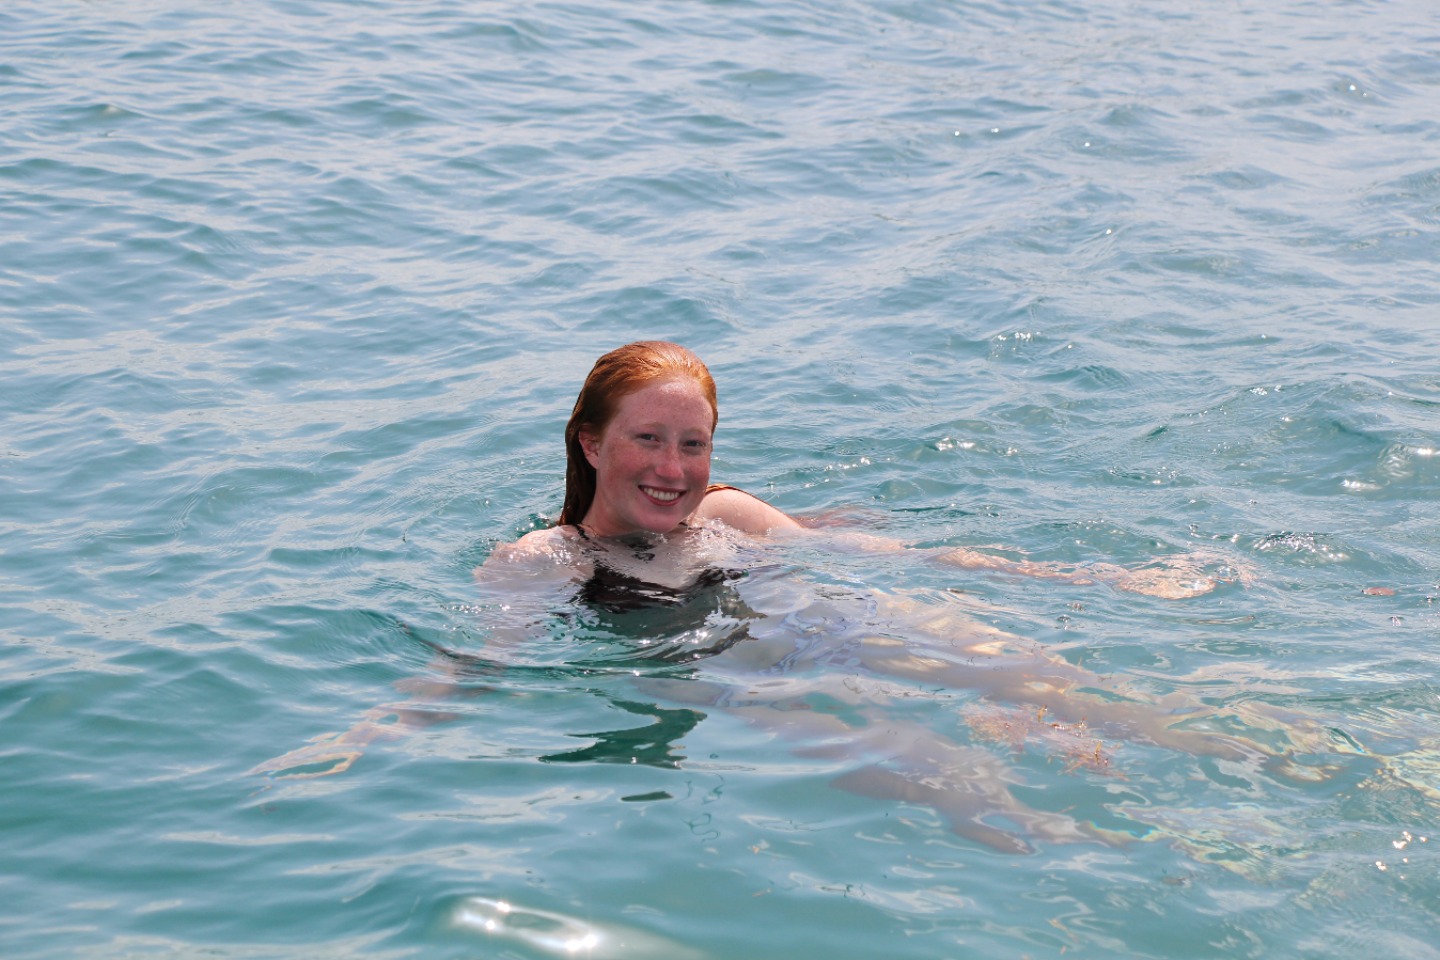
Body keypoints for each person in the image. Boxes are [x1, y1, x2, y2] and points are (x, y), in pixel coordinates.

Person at [486, 340, 1239, 600]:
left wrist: (1092, 579)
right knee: (954, 781)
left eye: (693, 444)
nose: (671, 468)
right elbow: (480, 665)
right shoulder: (547, 559)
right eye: (648, 439)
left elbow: (894, 556)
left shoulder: (724, 515)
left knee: (1041, 681)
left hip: (841, 629)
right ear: (591, 444)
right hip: (774, 688)